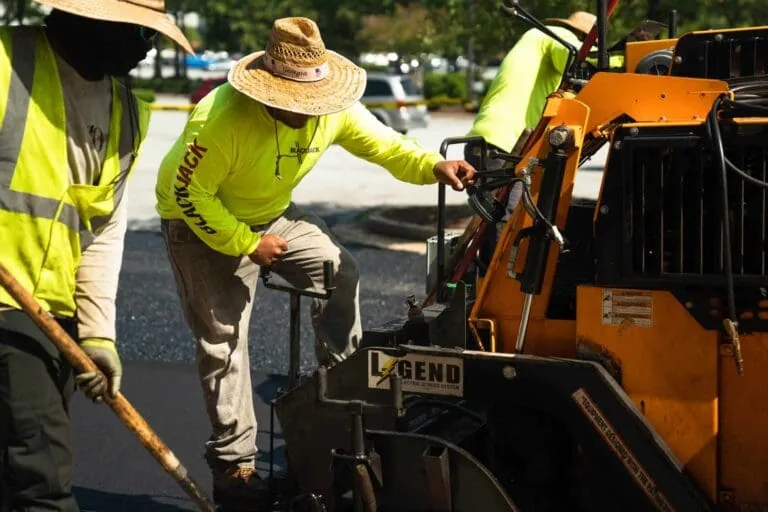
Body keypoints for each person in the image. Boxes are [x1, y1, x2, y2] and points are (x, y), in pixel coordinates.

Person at [155, 16, 475, 509]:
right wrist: (244, 242)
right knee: (224, 342)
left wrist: (433, 165)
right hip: (199, 223)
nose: (305, 114)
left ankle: (341, 395)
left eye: (312, 104)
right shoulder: (219, 119)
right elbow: (185, 191)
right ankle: (234, 468)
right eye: (292, 105)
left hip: (272, 213)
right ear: (267, 92)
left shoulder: (334, 109)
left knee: (337, 270)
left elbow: (387, 146)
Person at [0, 1, 192, 510]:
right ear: (86, 20)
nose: (145, 48)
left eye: (150, 36)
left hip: (51, 315)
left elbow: (103, 230)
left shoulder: (126, 111)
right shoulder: (4, 64)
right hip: (6, 307)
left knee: (13, 469)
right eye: (136, 33)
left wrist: (97, 334)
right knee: (42, 476)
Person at [466, 11, 596, 215]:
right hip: (504, 143)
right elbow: (583, 59)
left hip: (495, 141)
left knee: (499, 218)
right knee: (507, 216)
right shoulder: (555, 35)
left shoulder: (538, 42)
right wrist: (622, 58)